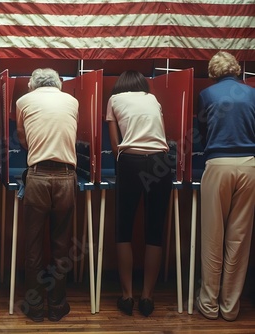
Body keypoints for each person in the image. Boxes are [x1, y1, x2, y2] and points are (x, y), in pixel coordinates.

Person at [106, 70, 172, 317]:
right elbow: (162, 135)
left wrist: (125, 165)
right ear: (143, 85)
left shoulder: (114, 99)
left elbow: (115, 145)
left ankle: (127, 297)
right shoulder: (152, 99)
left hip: (130, 161)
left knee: (124, 230)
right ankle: (147, 298)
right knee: (154, 231)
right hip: (160, 162)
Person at [16, 68, 78, 322]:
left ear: (32, 84)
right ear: (59, 83)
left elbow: (23, 138)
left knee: (33, 244)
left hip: (38, 175)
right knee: (61, 244)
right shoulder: (72, 101)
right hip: (66, 176)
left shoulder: (23, 101)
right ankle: (57, 305)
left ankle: (34, 307)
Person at [196, 51, 255, 321]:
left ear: (213, 73)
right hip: (249, 166)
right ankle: (230, 308)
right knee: (239, 240)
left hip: (218, 164)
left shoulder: (207, 95)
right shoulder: (252, 93)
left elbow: (202, 132)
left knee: (212, 237)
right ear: (237, 69)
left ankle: (208, 304)